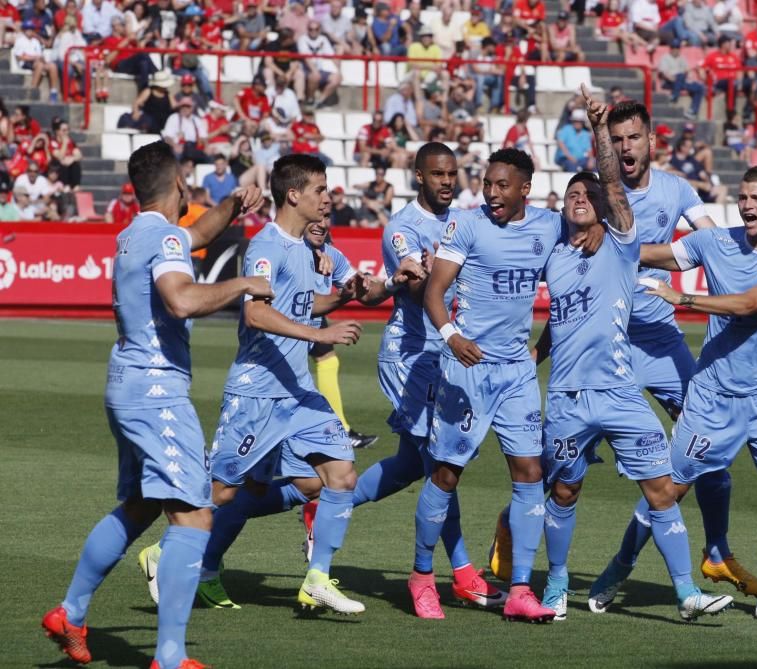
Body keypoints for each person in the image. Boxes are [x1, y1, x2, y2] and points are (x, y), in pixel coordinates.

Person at [136, 154, 418, 613]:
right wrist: (320, 334)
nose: (328, 199)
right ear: (294, 195)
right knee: (226, 491)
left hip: (297, 392)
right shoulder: (266, 247)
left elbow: (308, 303)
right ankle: (166, 551)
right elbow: (256, 312)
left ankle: (317, 578)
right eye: (321, 190)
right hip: (256, 392)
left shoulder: (311, 248)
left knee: (336, 475)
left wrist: (350, 294)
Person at [41, 140, 271, 668]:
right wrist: (242, 283)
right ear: (180, 187)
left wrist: (234, 205)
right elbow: (181, 299)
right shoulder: (164, 237)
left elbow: (195, 235)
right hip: (156, 392)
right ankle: (169, 658)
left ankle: (71, 612)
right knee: (194, 517)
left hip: (124, 383)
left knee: (142, 506)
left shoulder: (134, 234)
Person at [545, 100, 757, 613]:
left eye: (633, 138)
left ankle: (715, 551)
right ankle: (512, 540)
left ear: (650, 141)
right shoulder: (591, 201)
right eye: (616, 140)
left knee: (702, 443)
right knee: (557, 476)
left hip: (659, 341)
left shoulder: (673, 190)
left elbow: (710, 237)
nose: (625, 148)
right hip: (597, 350)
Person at [305, 144, 507, 615]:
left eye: (452, 174)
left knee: (411, 465)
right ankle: (462, 574)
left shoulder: (465, 219)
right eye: (437, 173)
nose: (446, 181)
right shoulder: (403, 228)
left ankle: (325, 501)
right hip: (409, 356)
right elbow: (417, 290)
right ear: (418, 175)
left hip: (445, 355)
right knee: (442, 462)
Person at [414, 147, 603, 622]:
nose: (492, 193)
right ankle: (420, 576)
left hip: (517, 371)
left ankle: (520, 588)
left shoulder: (548, 225)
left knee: (531, 474)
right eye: (488, 184)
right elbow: (434, 292)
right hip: (468, 366)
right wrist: (451, 337)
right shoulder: (468, 225)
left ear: (525, 189)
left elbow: (589, 231)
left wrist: (595, 225)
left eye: (503, 186)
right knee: (446, 474)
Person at [640, 165, 757, 625]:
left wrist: (682, 300)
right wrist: (600, 246)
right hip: (714, 394)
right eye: (742, 197)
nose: (746, 205)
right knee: (668, 490)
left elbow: (750, 304)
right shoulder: (715, 243)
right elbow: (653, 254)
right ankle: (618, 569)